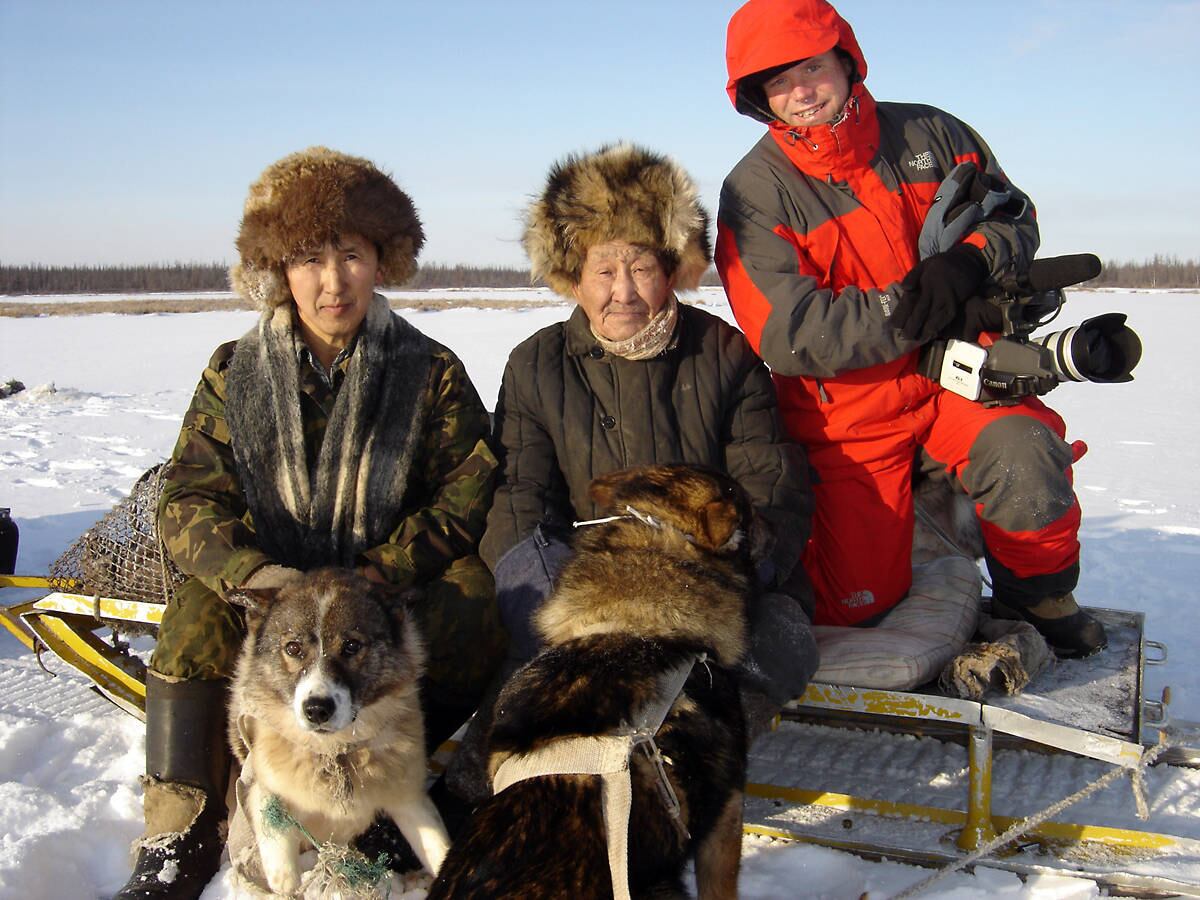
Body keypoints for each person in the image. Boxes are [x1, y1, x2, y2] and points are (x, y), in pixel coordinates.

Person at [116, 147, 506, 899]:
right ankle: (181, 824)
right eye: (308, 260)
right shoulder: (235, 370)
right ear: (277, 271)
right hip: (271, 580)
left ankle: (391, 786)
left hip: (378, 579)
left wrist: (383, 575)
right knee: (193, 621)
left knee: (471, 608)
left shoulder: (429, 370)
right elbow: (188, 499)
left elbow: (467, 488)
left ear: (380, 261)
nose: (333, 282)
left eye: (352, 255)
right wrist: (254, 578)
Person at [716, 0, 1106, 658]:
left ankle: (1036, 596)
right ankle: (920, 534)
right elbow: (789, 331)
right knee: (854, 609)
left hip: (959, 378)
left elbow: (1014, 215)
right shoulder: (755, 191)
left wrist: (969, 260)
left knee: (1024, 453)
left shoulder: (933, 133)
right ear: (758, 99)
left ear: (846, 60)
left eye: (811, 68)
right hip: (849, 414)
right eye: (778, 83)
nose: (801, 92)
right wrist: (914, 309)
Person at [455, 144, 817, 798]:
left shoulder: (725, 356)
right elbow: (516, 501)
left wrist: (710, 590)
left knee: (774, 646)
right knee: (525, 688)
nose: (623, 291)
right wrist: (555, 607)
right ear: (573, 273)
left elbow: (774, 494)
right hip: (582, 591)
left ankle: (675, 794)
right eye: (604, 268)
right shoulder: (537, 365)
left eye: (642, 266)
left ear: (671, 270)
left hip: (714, 589)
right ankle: (484, 806)